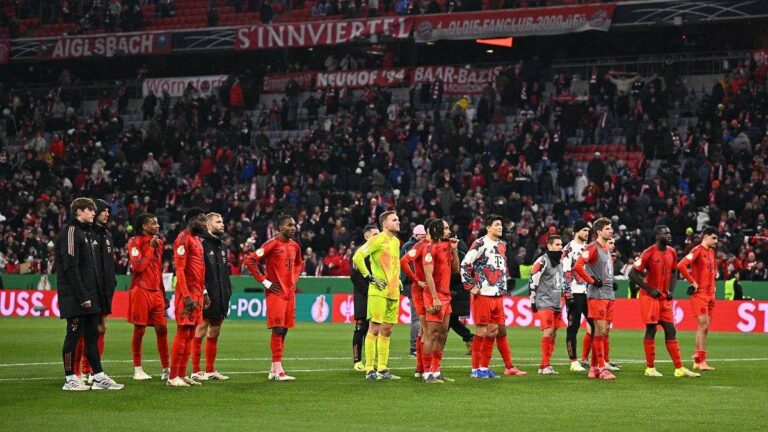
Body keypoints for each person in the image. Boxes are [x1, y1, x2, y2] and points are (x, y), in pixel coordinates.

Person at [56, 197, 123, 390]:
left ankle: (99, 377)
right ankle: (70, 379)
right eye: (90, 210)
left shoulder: (85, 233)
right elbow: (70, 268)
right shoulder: (70, 232)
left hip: (90, 295)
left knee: (92, 336)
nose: (94, 213)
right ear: (79, 211)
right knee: (73, 336)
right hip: (76, 296)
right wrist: (82, 296)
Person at [629, 225, 700, 378]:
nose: (669, 235)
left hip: (664, 298)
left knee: (671, 330)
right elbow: (632, 273)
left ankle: (679, 368)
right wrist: (649, 289)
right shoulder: (648, 253)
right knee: (651, 330)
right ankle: (650, 368)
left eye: (669, 233)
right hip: (650, 298)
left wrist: (671, 291)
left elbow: (674, 272)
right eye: (665, 233)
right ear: (657, 236)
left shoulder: (672, 252)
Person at [461, 214, 526, 378]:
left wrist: (506, 280)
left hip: (498, 294)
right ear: (488, 227)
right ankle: (476, 369)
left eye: (501, 225)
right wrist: (470, 286)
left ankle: (484, 367)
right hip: (483, 293)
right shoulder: (480, 243)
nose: (500, 227)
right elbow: (465, 264)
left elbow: (500, 266)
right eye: (497, 224)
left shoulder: (501, 245)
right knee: (482, 330)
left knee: (493, 331)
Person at [245, 214, 304, 381]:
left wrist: (294, 277)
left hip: (289, 293)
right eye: (289, 225)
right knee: (278, 329)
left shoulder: (295, 246)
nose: (293, 228)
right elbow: (250, 260)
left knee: (284, 330)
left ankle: (274, 369)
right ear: (280, 228)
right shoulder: (271, 244)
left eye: (294, 225)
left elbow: (300, 263)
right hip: (275, 292)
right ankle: (279, 371)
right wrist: (265, 282)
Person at [352, 210, 402, 381]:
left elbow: (395, 263)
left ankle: (382, 368)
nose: (398, 222)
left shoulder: (396, 242)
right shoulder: (377, 239)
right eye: (394, 220)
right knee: (374, 328)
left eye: (398, 219)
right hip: (378, 291)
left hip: (393, 291)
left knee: (387, 330)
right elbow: (358, 257)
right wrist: (369, 277)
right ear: (385, 224)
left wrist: (398, 280)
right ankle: (369, 369)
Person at [168, 208, 209, 387]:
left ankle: (182, 374)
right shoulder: (183, 239)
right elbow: (180, 270)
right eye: (201, 220)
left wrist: (205, 293)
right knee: (183, 332)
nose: (204, 224)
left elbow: (200, 270)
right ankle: (172, 376)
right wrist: (185, 296)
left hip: (198, 293)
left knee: (191, 333)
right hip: (187, 294)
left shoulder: (197, 241)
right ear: (191, 220)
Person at [127, 213, 170, 381]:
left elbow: (157, 270)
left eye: (157, 222)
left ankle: (166, 369)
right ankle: (138, 369)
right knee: (140, 329)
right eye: (154, 223)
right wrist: (151, 248)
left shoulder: (159, 242)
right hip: (141, 290)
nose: (157, 226)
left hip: (156, 292)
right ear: (144, 226)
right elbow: (138, 266)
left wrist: (163, 294)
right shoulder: (134, 242)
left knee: (162, 328)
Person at [191, 212, 233, 382]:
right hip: (206, 294)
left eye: (222, 221)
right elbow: (196, 271)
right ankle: (195, 370)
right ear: (208, 225)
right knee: (201, 328)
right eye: (218, 221)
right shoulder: (200, 244)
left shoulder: (223, 246)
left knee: (215, 329)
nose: (222, 224)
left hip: (222, 294)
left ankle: (210, 369)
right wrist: (203, 292)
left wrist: (228, 291)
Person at [573, 217, 617, 380]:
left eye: (611, 228)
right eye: (608, 228)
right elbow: (577, 266)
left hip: (607, 295)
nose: (611, 231)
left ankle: (593, 368)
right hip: (597, 296)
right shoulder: (593, 247)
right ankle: (602, 368)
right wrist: (592, 280)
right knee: (598, 331)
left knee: (602, 331)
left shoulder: (606, 249)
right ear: (599, 231)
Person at [78, 199, 117, 383]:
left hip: (104, 289)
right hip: (91, 289)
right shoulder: (87, 233)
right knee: (85, 330)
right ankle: (84, 370)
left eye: (108, 211)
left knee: (101, 327)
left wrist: (112, 283)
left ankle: (93, 370)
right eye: (103, 211)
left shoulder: (107, 234)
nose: (106, 214)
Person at [421, 219, 459, 383]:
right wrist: (435, 297)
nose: (448, 230)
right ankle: (426, 372)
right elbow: (428, 275)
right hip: (433, 295)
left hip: (446, 295)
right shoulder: (430, 248)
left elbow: (456, 270)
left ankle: (436, 371)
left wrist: (455, 250)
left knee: (443, 333)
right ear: (437, 230)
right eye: (445, 228)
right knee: (432, 333)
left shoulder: (447, 247)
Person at [677, 226, 719, 371]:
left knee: (705, 328)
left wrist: (714, 287)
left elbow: (712, 272)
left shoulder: (712, 252)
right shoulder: (697, 251)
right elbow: (681, 265)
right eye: (713, 238)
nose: (716, 241)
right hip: (700, 294)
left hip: (710, 295)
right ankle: (700, 361)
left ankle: (698, 360)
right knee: (703, 326)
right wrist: (692, 282)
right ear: (706, 236)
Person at [529, 235, 565, 375]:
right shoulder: (542, 260)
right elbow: (533, 279)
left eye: (561, 244)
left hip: (556, 301)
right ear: (549, 246)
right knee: (548, 330)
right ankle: (545, 365)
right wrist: (532, 300)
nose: (560, 247)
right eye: (557, 244)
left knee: (554, 333)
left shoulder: (560, 262)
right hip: (544, 301)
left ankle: (544, 365)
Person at [400, 220, 432, 377]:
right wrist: (415, 279)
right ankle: (415, 350)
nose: (422, 237)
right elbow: (405, 262)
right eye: (421, 235)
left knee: (422, 323)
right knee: (418, 321)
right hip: (417, 287)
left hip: (419, 286)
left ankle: (421, 365)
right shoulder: (413, 246)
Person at [562, 219, 591, 372]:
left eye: (588, 231)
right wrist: (568, 294)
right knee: (573, 327)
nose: (587, 233)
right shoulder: (568, 249)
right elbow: (566, 272)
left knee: (595, 325)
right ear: (577, 231)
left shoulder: (588, 248)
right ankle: (574, 361)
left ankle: (590, 359)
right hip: (574, 292)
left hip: (588, 292)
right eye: (584, 230)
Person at [351, 224, 379, 372]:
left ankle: (372, 360)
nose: (378, 237)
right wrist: (369, 290)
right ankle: (357, 360)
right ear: (366, 237)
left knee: (375, 328)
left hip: (377, 296)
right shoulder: (359, 252)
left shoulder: (379, 251)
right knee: (361, 328)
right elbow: (354, 276)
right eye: (375, 234)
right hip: (363, 296)